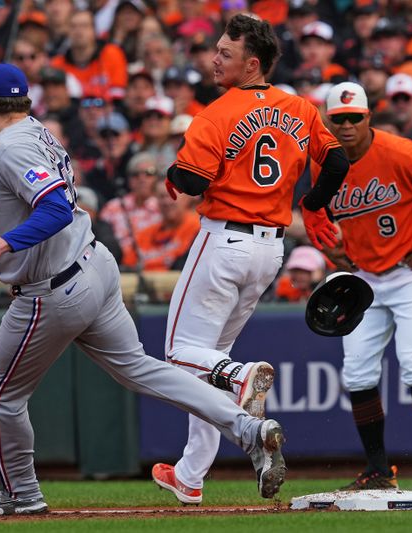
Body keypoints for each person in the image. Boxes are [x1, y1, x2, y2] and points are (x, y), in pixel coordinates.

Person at [0, 63, 287, 516]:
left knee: (3, 392)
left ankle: (20, 493)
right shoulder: (38, 132)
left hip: (52, 289)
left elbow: (52, 209)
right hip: (94, 266)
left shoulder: (9, 146)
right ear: (25, 101)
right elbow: (40, 207)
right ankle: (247, 429)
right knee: (143, 369)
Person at [153, 15, 348, 505]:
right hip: (270, 250)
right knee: (204, 368)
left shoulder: (216, 113)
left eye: (225, 52)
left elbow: (193, 181)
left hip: (223, 242)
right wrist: (315, 203)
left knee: (178, 353)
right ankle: (191, 475)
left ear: (252, 63)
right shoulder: (300, 108)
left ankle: (241, 376)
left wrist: (175, 171)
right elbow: (340, 162)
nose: (214, 58)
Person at [314, 81, 412, 492]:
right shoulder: (325, 164)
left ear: (368, 117)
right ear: (328, 122)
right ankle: (377, 470)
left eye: (355, 118)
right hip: (363, 276)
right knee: (357, 373)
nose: (347, 125)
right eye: (339, 119)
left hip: (411, 271)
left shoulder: (401, 152)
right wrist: (328, 248)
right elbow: (311, 208)